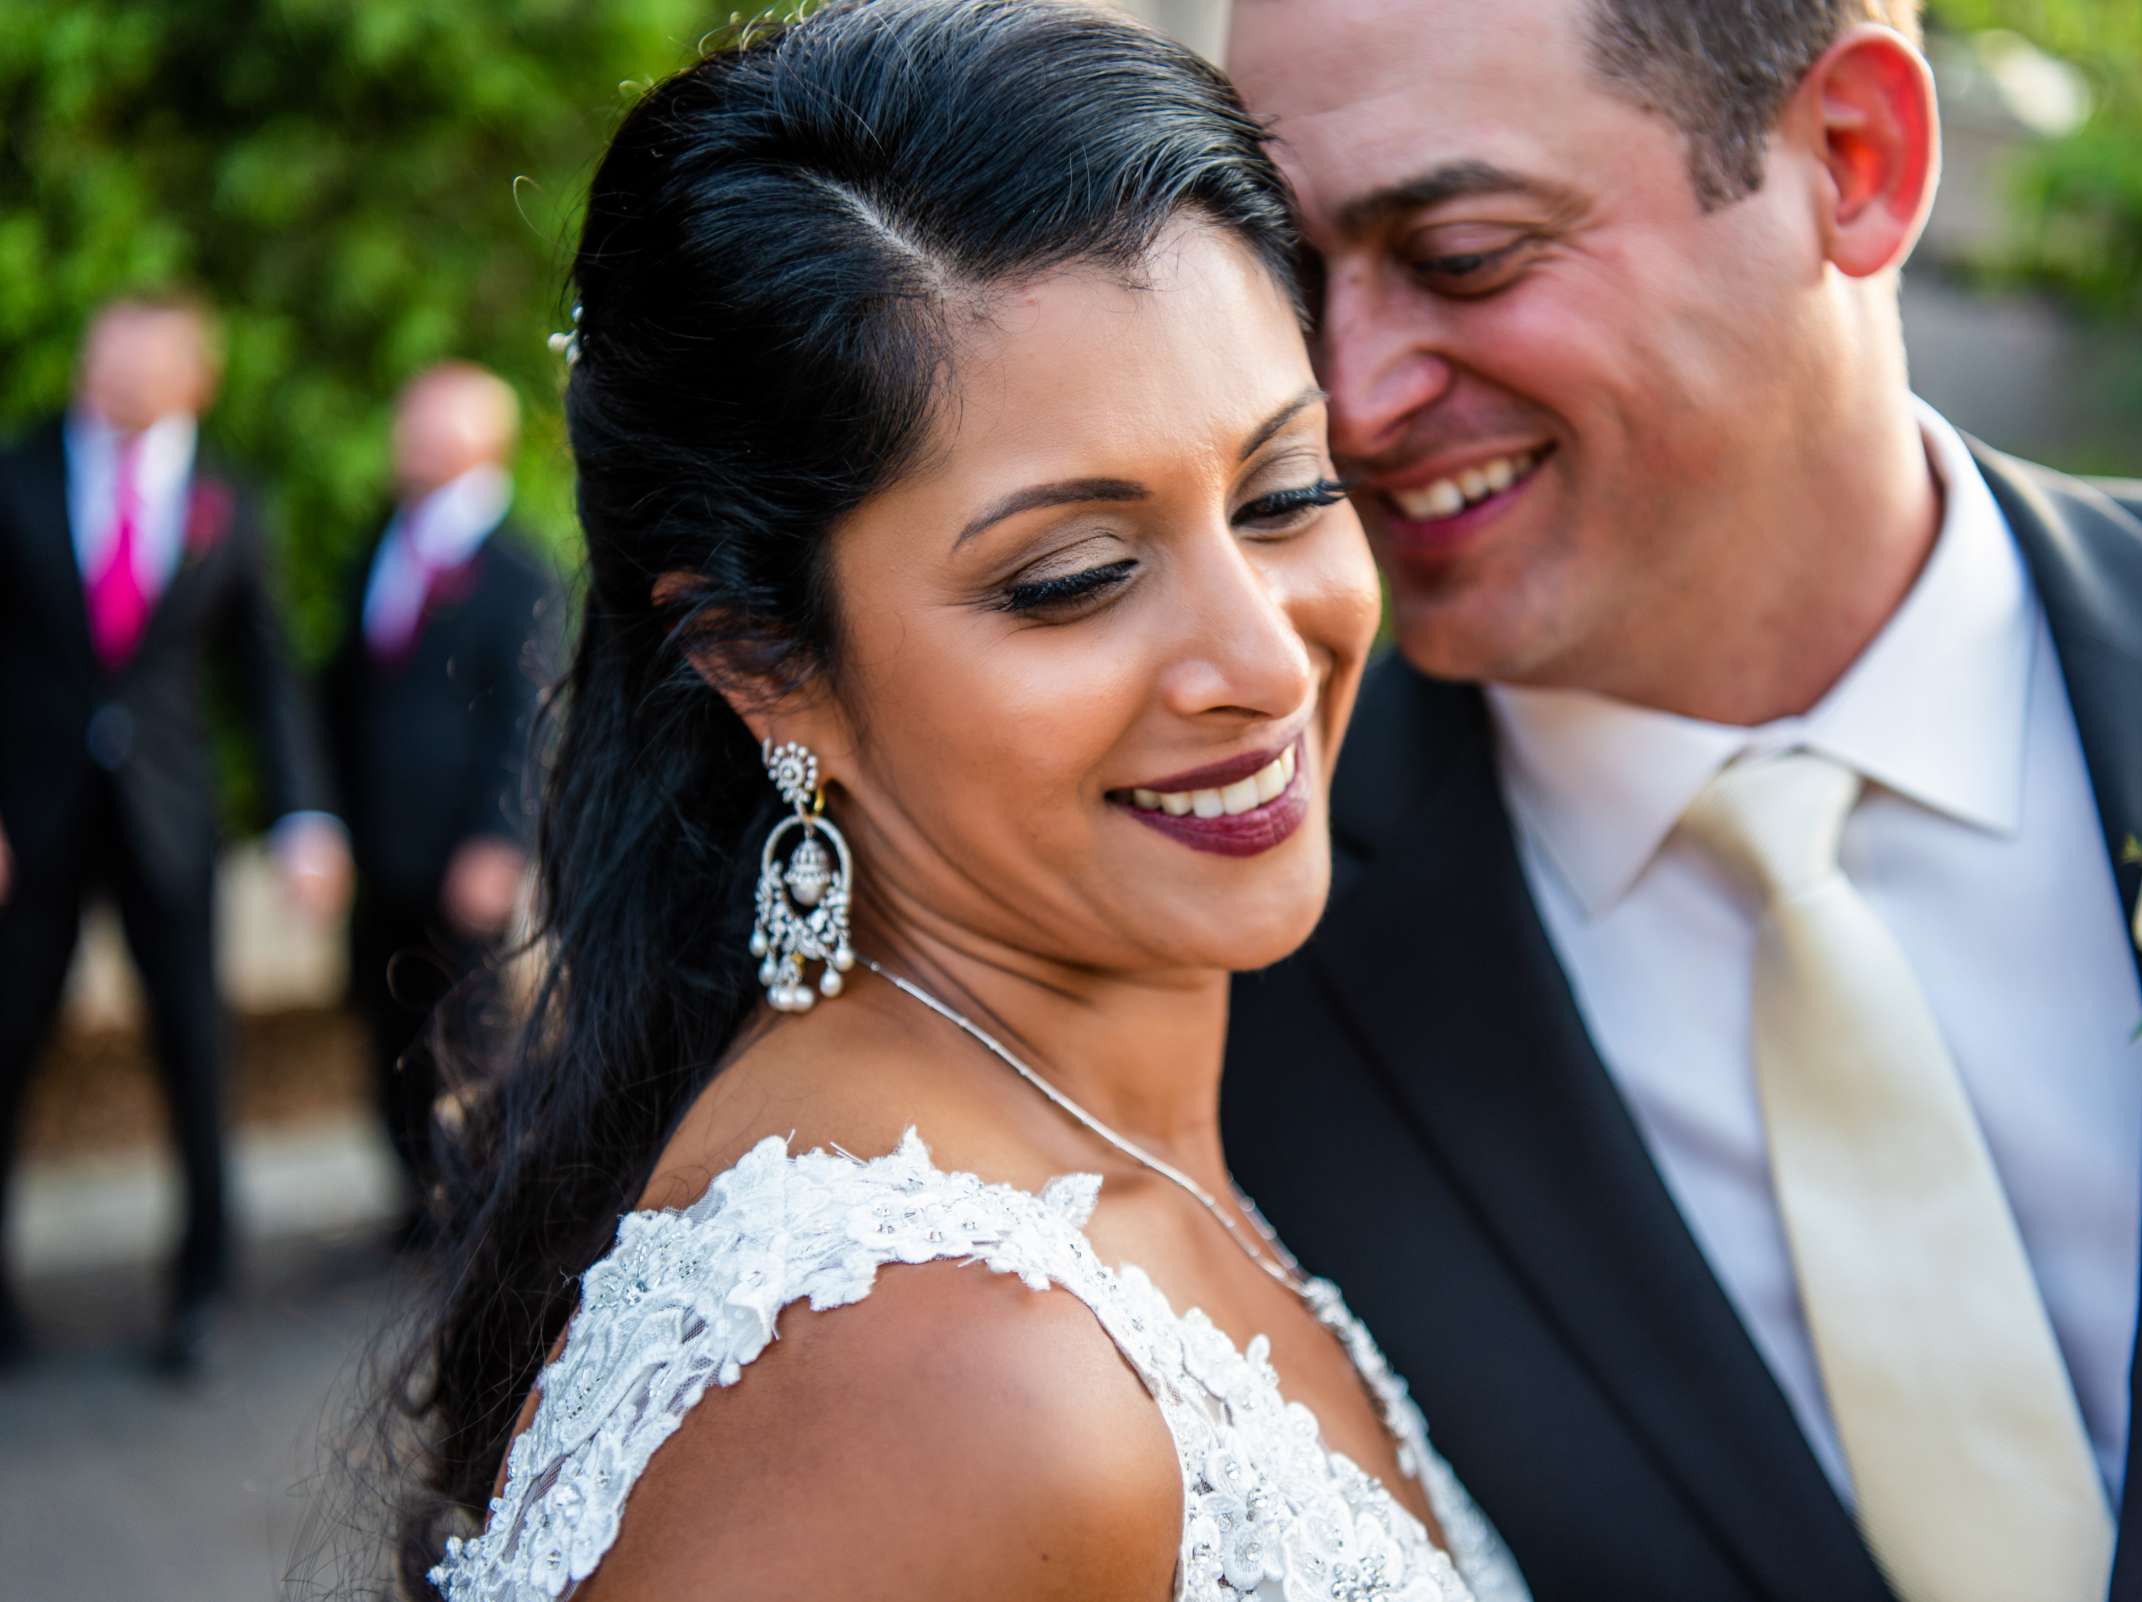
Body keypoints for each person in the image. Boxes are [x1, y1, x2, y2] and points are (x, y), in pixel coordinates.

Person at [1218, 2, 2142, 1600]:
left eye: (1467, 252)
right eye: (1290, 280)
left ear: (1857, 160)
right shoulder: (1223, 944)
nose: (1347, 402)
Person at [399, 5, 1528, 1599]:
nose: (1262, 658)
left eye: (1287, 493)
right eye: (1073, 578)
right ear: (761, 663)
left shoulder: (1117, 1133)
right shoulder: (938, 1375)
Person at [0, 294, 350, 1376]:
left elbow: (266, 675)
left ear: (191, 380)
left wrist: (303, 816)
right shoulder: (17, 473)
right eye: (103, 361)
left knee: (196, 1050)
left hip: (167, 818)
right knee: (6, 1045)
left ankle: (201, 1288)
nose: (112, 382)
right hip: (32, 818)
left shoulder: (224, 498)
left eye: (140, 367)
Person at [325, 362, 558, 1242]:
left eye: (425, 429)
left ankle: (485, 1202)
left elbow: (528, 713)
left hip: (464, 847)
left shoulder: (517, 569)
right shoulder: (381, 544)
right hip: (382, 839)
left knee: (468, 1029)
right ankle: (415, 1192)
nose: (405, 445)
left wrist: (500, 840)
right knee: (386, 1021)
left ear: (479, 444)